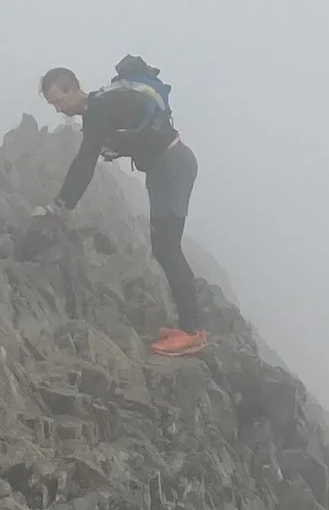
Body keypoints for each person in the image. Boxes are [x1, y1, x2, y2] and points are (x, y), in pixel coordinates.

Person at [35, 58, 206, 355]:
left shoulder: (99, 108)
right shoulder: (100, 108)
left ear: (74, 88)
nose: (57, 109)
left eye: (58, 100)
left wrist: (61, 206)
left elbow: (85, 161)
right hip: (167, 166)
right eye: (52, 105)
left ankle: (191, 333)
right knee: (165, 247)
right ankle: (189, 327)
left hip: (171, 167)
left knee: (167, 248)